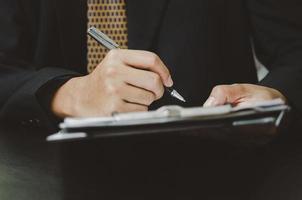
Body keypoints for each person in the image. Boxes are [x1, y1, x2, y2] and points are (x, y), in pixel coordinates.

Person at [0, 0, 301, 130]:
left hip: (214, 172)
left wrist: (276, 99)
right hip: (43, 176)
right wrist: (70, 94)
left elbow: (294, 47)